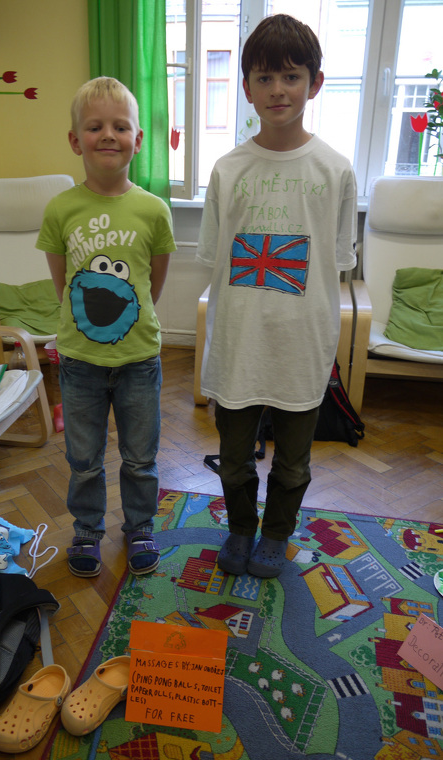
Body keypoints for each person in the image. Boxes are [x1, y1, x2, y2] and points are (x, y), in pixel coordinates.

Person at [197, 14, 357, 578]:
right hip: (239, 342)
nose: (278, 90)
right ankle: (241, 528)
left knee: (292, 464)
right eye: (264, 78)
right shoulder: (228, 169)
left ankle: (276, 533)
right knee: (234, 458)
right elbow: (216, 261)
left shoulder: (335, 170)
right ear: (246, 87)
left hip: (301, 345)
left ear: (315, 83)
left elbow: (336, 267)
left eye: (291, 76)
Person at [36, 76, 175, 578]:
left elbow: (152, 285)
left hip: (139, 360)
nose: (108, 135)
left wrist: (126, 325)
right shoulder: (61, 209)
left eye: (120, 126)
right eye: (95, 127)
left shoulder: (154, 210)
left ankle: (140, 527)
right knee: (84, 459)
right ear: (76, 141)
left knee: (140, 459)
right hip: (80, 363)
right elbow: (63, 286)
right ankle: (87, 531)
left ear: (138, 139)